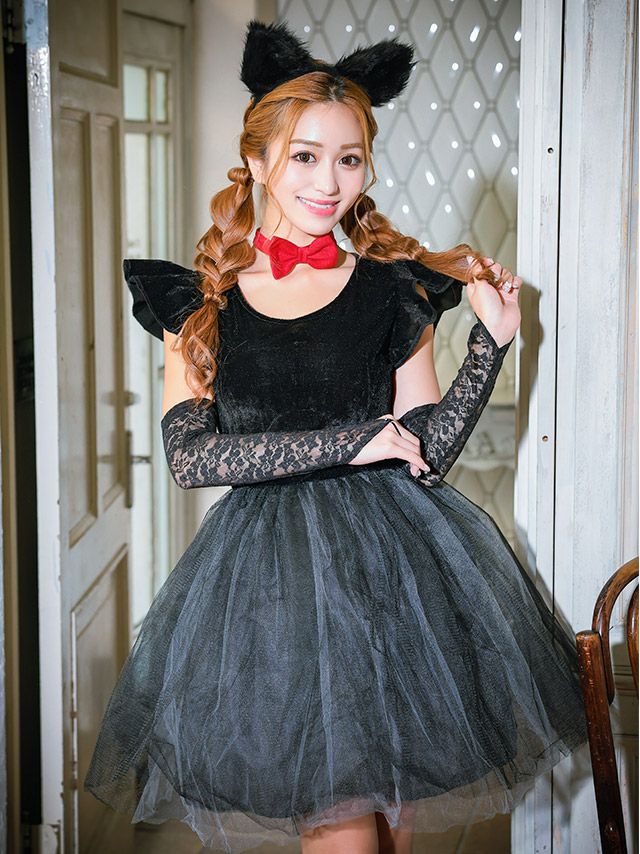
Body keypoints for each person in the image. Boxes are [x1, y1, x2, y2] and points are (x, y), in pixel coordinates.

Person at [84, 20, 588, 854]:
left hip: (397, 578)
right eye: (305, 156)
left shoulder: (394, 289)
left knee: (389, 830)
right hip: (275, 591)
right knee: (340, 827)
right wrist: (350, 441)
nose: (328, 182)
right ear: (256, 162)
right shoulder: (199, 300)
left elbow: (424, 451)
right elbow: (190, 458)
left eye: (348, 158)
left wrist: (491, 345)